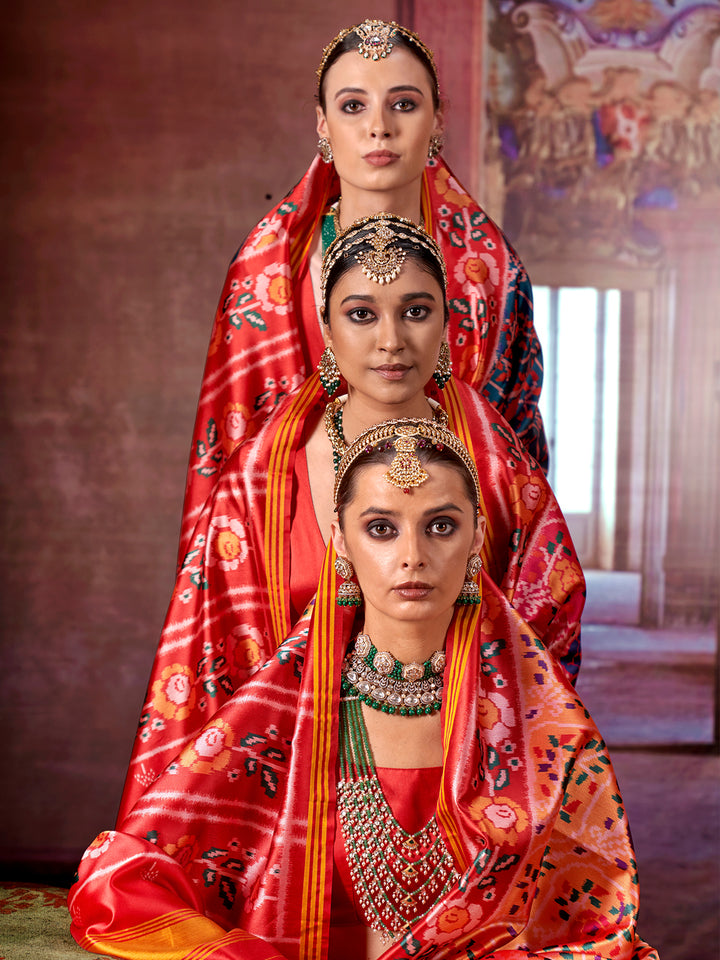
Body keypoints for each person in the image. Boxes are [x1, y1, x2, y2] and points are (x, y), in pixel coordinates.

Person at [70, 420, 655, 960]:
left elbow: (597, 927)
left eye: (441, 526)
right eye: (381, 528)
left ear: (478, 537)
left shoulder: (549, 736)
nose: (412, 557)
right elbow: (130, 877)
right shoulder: (280, 715)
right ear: (341, 541)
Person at [115, 215, 583, 822]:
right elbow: (217, 657)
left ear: (446, 325)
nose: (391, 340)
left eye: (415, 311)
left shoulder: (496, 468)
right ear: (327, 332)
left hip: (471, 784)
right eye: (362, 314)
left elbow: (550, 617)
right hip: (290, 791)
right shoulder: (261, 479)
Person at [177, 18, 547, 563]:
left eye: (403, 104)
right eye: (354, 106)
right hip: (299, 545)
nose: (379, 127)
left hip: (454, 552)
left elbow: (516, 447)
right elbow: (232, 442)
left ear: (437, 119)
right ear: (322, 124)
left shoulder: (486, 271)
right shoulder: (269, 271)